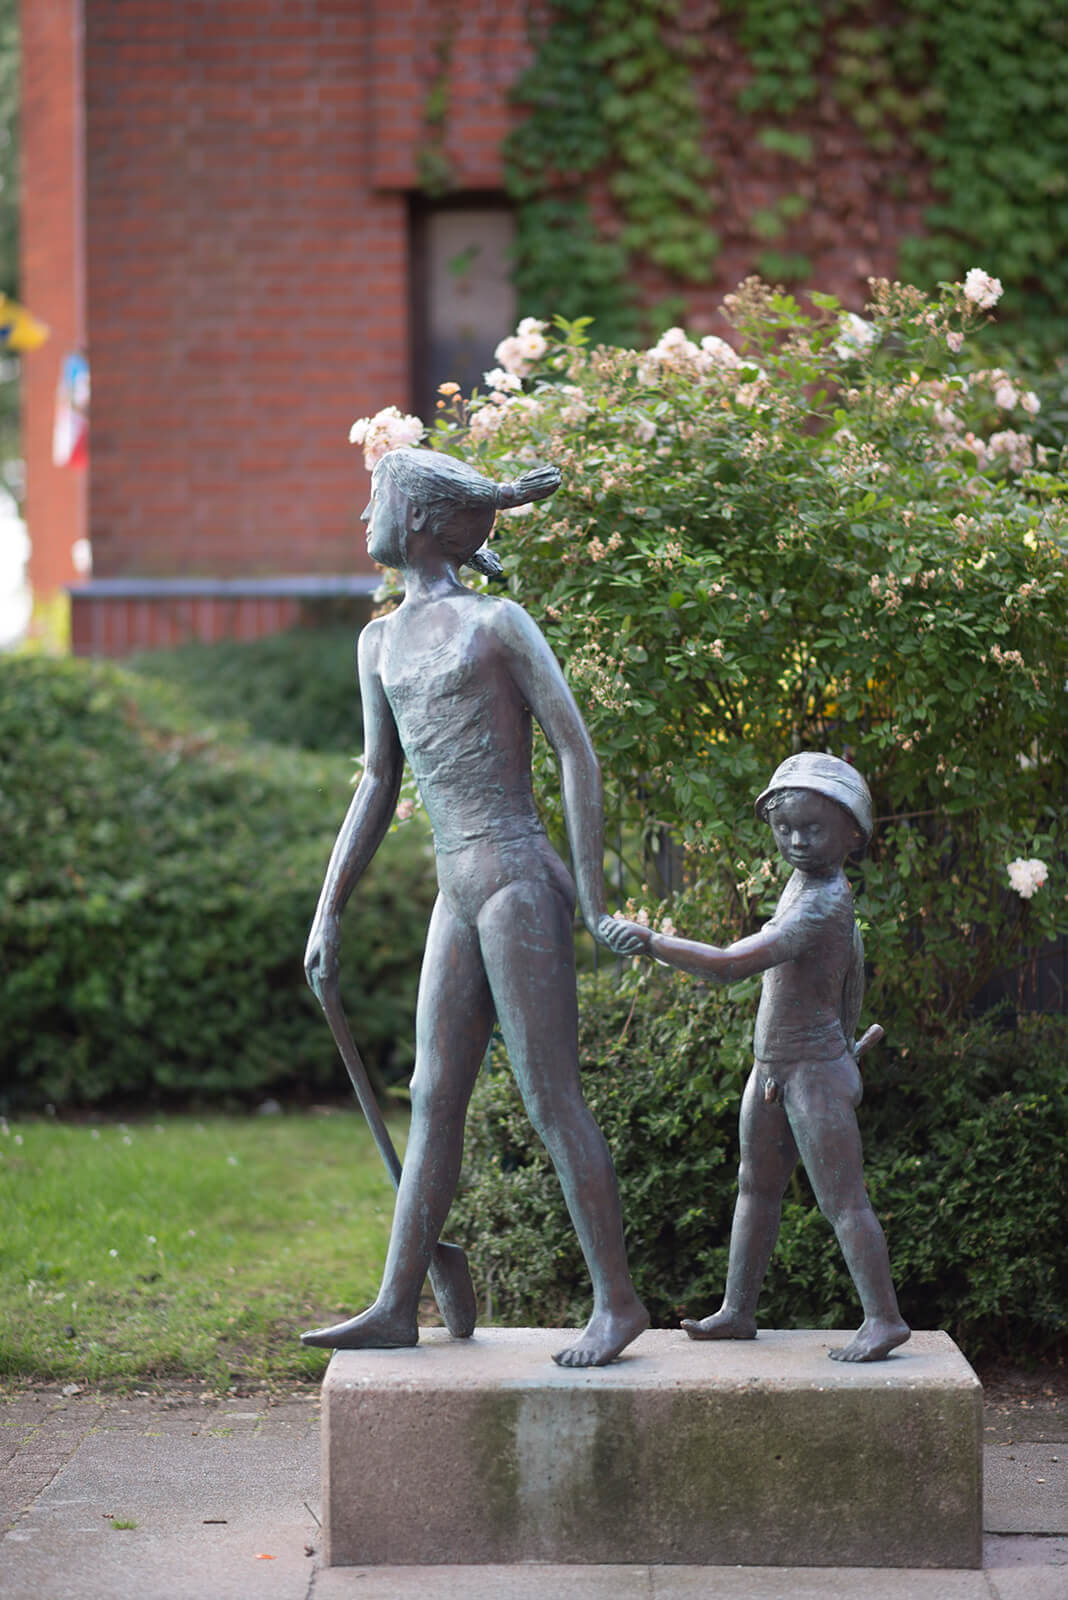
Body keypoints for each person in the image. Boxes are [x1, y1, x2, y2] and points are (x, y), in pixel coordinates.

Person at [301, 446, 648, 1367]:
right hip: (457, 887)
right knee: (433, 1098)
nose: (361, 514)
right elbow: (378, 782)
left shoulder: (497, 624)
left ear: (415, 519)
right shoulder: (377, 641)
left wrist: (591, 889)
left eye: (374, 497)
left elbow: (576, 751)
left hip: (518, 880)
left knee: (550, 1096)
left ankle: (618, 1303)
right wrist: (329, 909)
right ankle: (395, 1300)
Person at [603, 753, 909, 1363]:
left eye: (813, 829)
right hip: (774, 1069)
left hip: (813, 1073)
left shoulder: (825, 902)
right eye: (785, 827)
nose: (796, 840)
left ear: (853, 834)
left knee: (842, 1200)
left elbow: (732, 964)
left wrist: (653, 941)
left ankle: (884, 1319)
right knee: (755, 1188)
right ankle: (739, 1311)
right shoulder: (804, 882)